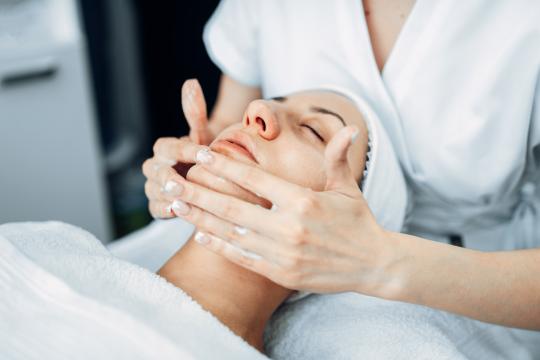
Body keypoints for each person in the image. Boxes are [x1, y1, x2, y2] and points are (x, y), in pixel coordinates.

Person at [143, 0, 540, 338]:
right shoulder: (83, 276)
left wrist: (380, 262)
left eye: (315, 131)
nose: (257, 110)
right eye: (272, 100)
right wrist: (192, 159)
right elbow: (226, 117)